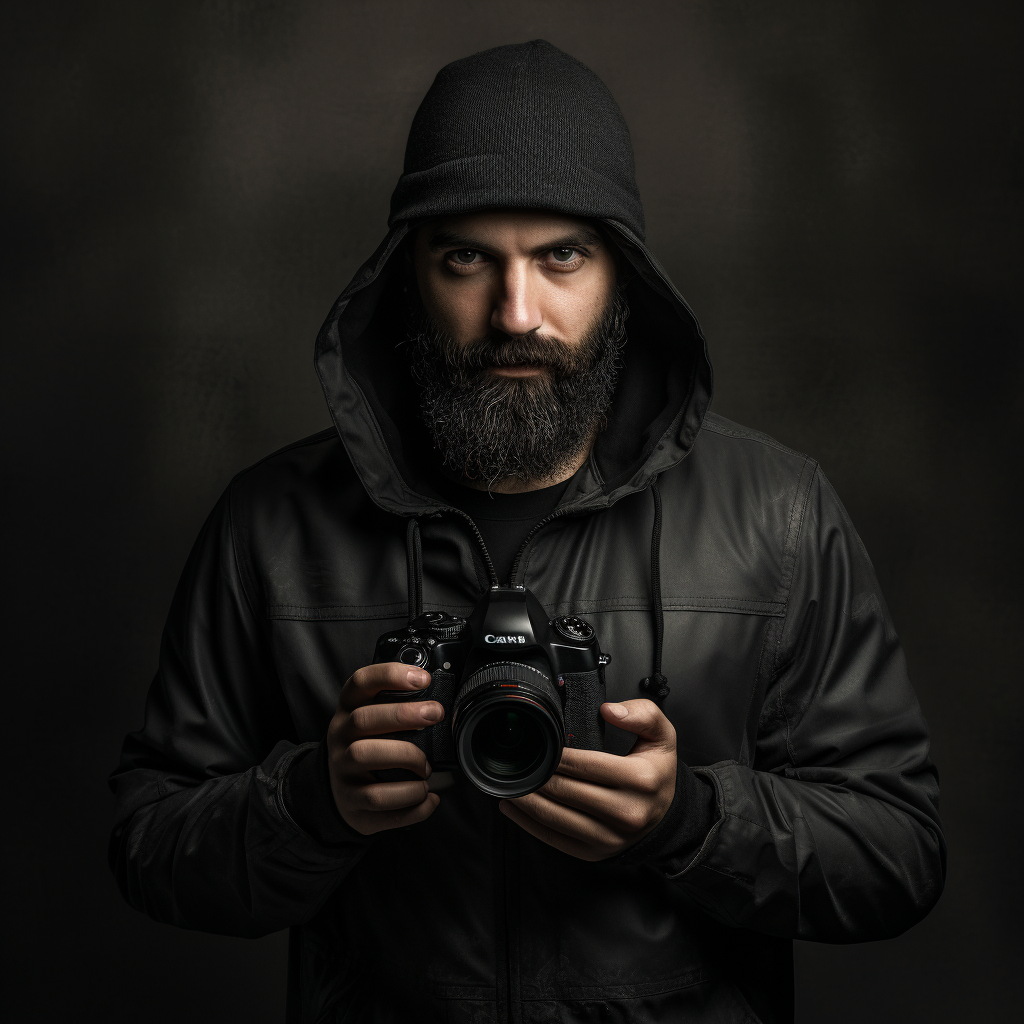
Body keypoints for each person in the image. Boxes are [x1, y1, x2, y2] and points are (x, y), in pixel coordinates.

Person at [108, 40, 945, 1024]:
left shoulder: (780, 513)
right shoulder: (273, 521)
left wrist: (691, 821)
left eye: (561, 257)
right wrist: (310, 802)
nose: (515, 312)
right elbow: (148, 842)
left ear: (622, 271)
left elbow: (898, 851)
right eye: (466, 257)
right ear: (405, 271)